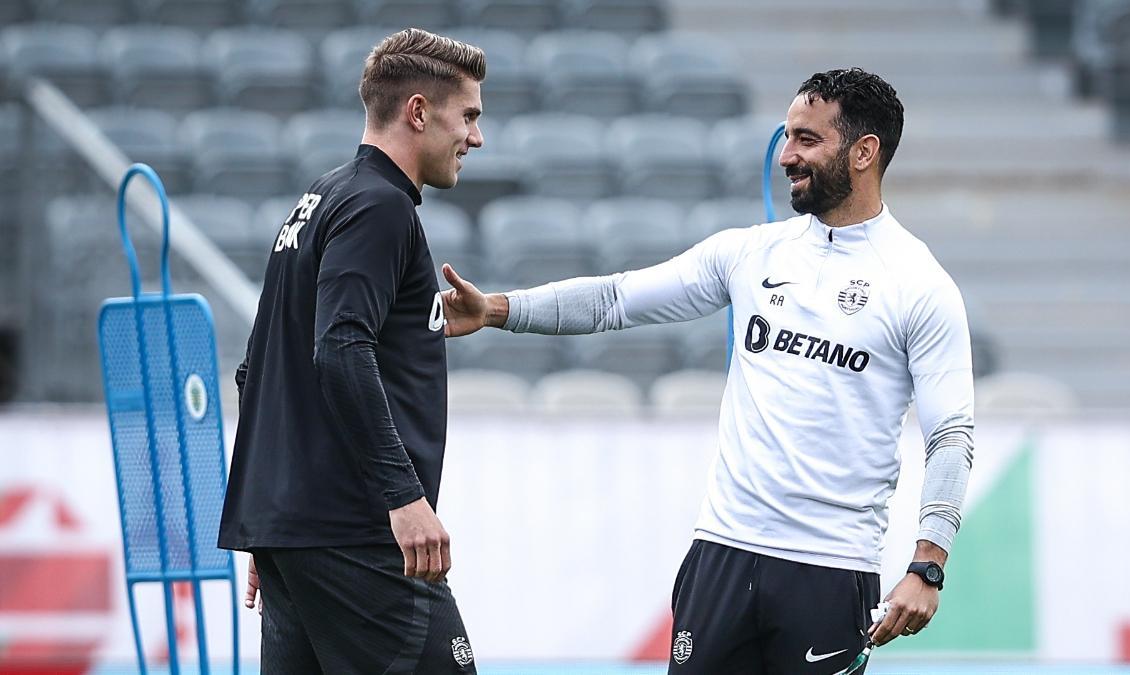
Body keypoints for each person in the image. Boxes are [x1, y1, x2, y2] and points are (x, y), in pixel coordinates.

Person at [439, 68, 974, 674]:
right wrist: (497, 310)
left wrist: (927, 566)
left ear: (864, 152)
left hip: (830, 567)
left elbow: (950, 435)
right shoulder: (750, 254)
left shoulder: (920, 285)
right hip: (722, 552)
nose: (787, 156)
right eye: (787, 137)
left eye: (806, 140)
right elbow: (615, 299)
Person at [217, 28, 485, 674]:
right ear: (418, 111)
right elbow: (339, 349)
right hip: (359, 533)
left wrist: (277, 518)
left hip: (302, 531)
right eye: (469, 115)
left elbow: (258, 366)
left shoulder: (321, 198)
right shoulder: (379, 208)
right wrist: (403, 495)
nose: (476, 137)